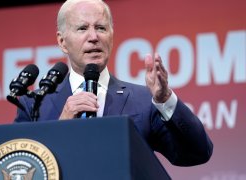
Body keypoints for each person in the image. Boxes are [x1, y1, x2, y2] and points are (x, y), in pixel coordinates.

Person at [14, 0, 213, 166]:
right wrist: (62, 128)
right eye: (82, 28)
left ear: (111, 35)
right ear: (62, 42)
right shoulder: (35, 104)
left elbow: (197, 153)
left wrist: (166, 100)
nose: (94, 37)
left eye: (101, 28)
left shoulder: (143, 100)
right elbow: (21, 168)